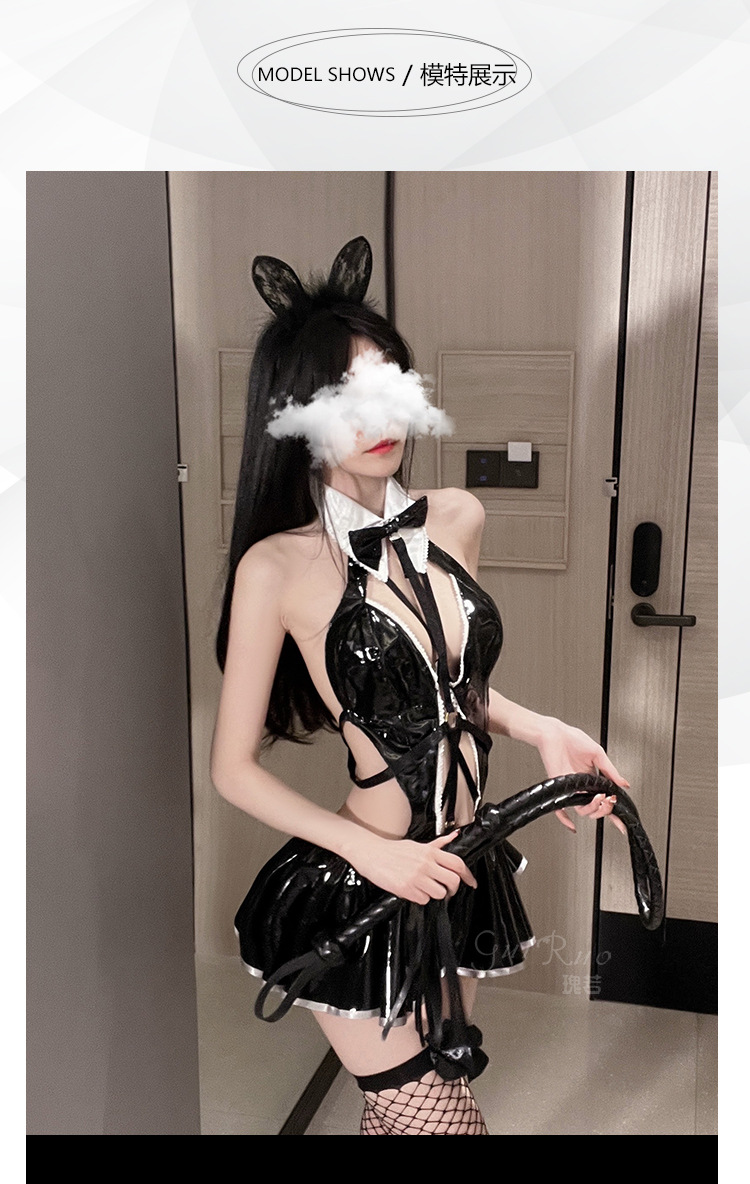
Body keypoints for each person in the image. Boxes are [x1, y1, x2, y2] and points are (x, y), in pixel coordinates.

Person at [210, 237, 629, 1136]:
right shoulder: (276, 566)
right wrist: (374, 857)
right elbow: (232, 769)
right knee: (443, 1127)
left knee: (409, 1115)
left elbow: (452, 690)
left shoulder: (457, 517)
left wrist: (543, 728)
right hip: (364, 878)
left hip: (460, 867)